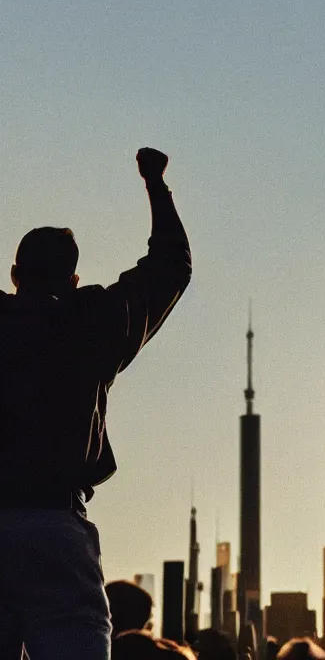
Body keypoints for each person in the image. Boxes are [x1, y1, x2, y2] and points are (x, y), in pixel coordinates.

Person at [0, 148, 192, 660]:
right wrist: (155, 183)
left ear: (14, 275)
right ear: (74, 281)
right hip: (55, 530)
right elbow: (171, 265)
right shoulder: (92, 323)